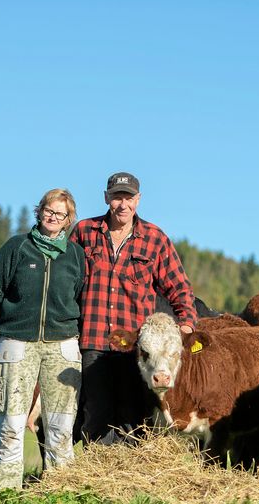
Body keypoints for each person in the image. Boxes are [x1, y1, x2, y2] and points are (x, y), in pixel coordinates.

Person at [70, 171, 197, 444]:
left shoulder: (155, 238)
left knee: (134, 415)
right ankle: (99, 475)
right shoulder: (84, 232)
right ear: (106, 198)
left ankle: (130, 478)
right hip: (93, 341)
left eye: (128, 198)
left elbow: (179, 288)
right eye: (117, 197)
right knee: (95, 412)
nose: (122, 204)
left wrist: (186, 322)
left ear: (138, 200)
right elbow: (66, 283)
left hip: (137, 349)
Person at [0, 188, 85, 489]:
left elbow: (78, 293)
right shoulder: (17, 247)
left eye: (60, 214)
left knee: (61, 423)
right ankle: (6, 486)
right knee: (12, 420)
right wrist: (14, 320)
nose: (53, 217)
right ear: (39, 211)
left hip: (61, 345)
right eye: (48, 210)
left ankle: (59, 488)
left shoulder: (75, 256)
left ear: (68, 220)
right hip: (18, 342)